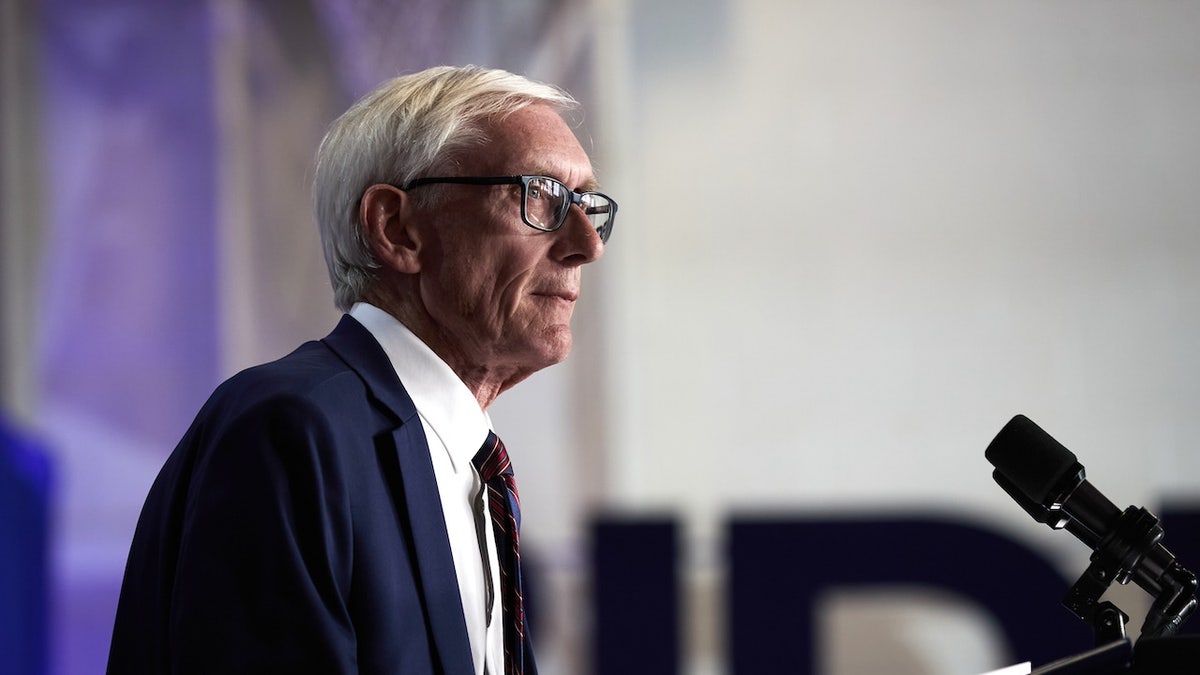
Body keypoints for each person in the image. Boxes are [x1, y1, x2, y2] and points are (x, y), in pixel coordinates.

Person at [106, 65, 616, 675]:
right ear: (396, 228)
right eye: (542, 197)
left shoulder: (475, 466)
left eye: (588, 205)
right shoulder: (290, 432)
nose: (588, 243)